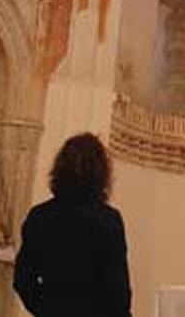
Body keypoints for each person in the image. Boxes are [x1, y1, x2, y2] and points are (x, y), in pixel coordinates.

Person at [14, 133, 131, 317]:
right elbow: (118, 292)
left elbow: (22, 280)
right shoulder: (109, 221)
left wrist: (46, 309)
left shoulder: (39, 216)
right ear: (101, 173)